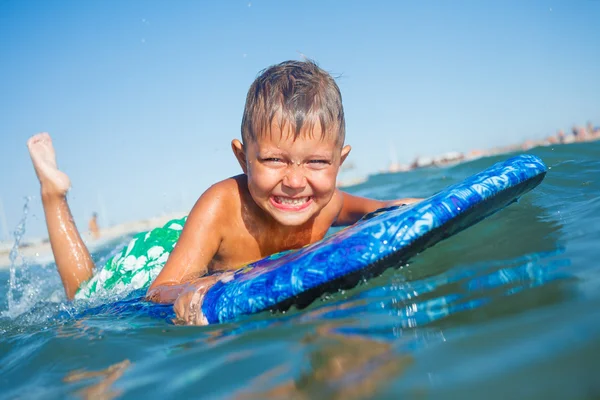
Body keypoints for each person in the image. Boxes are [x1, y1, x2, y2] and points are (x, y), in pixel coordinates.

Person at [27, 60, 420, 325]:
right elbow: (157, 290)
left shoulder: (327, 203)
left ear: (339, 161)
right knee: (84, 297)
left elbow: (381, 210)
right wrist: (186, 291)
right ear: (242, 157)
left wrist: (414, 208)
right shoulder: (221, 205)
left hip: (209, 262)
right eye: (274, 160)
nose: (296, 181)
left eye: (316, 163)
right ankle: (53, 193)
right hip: (164, 254)